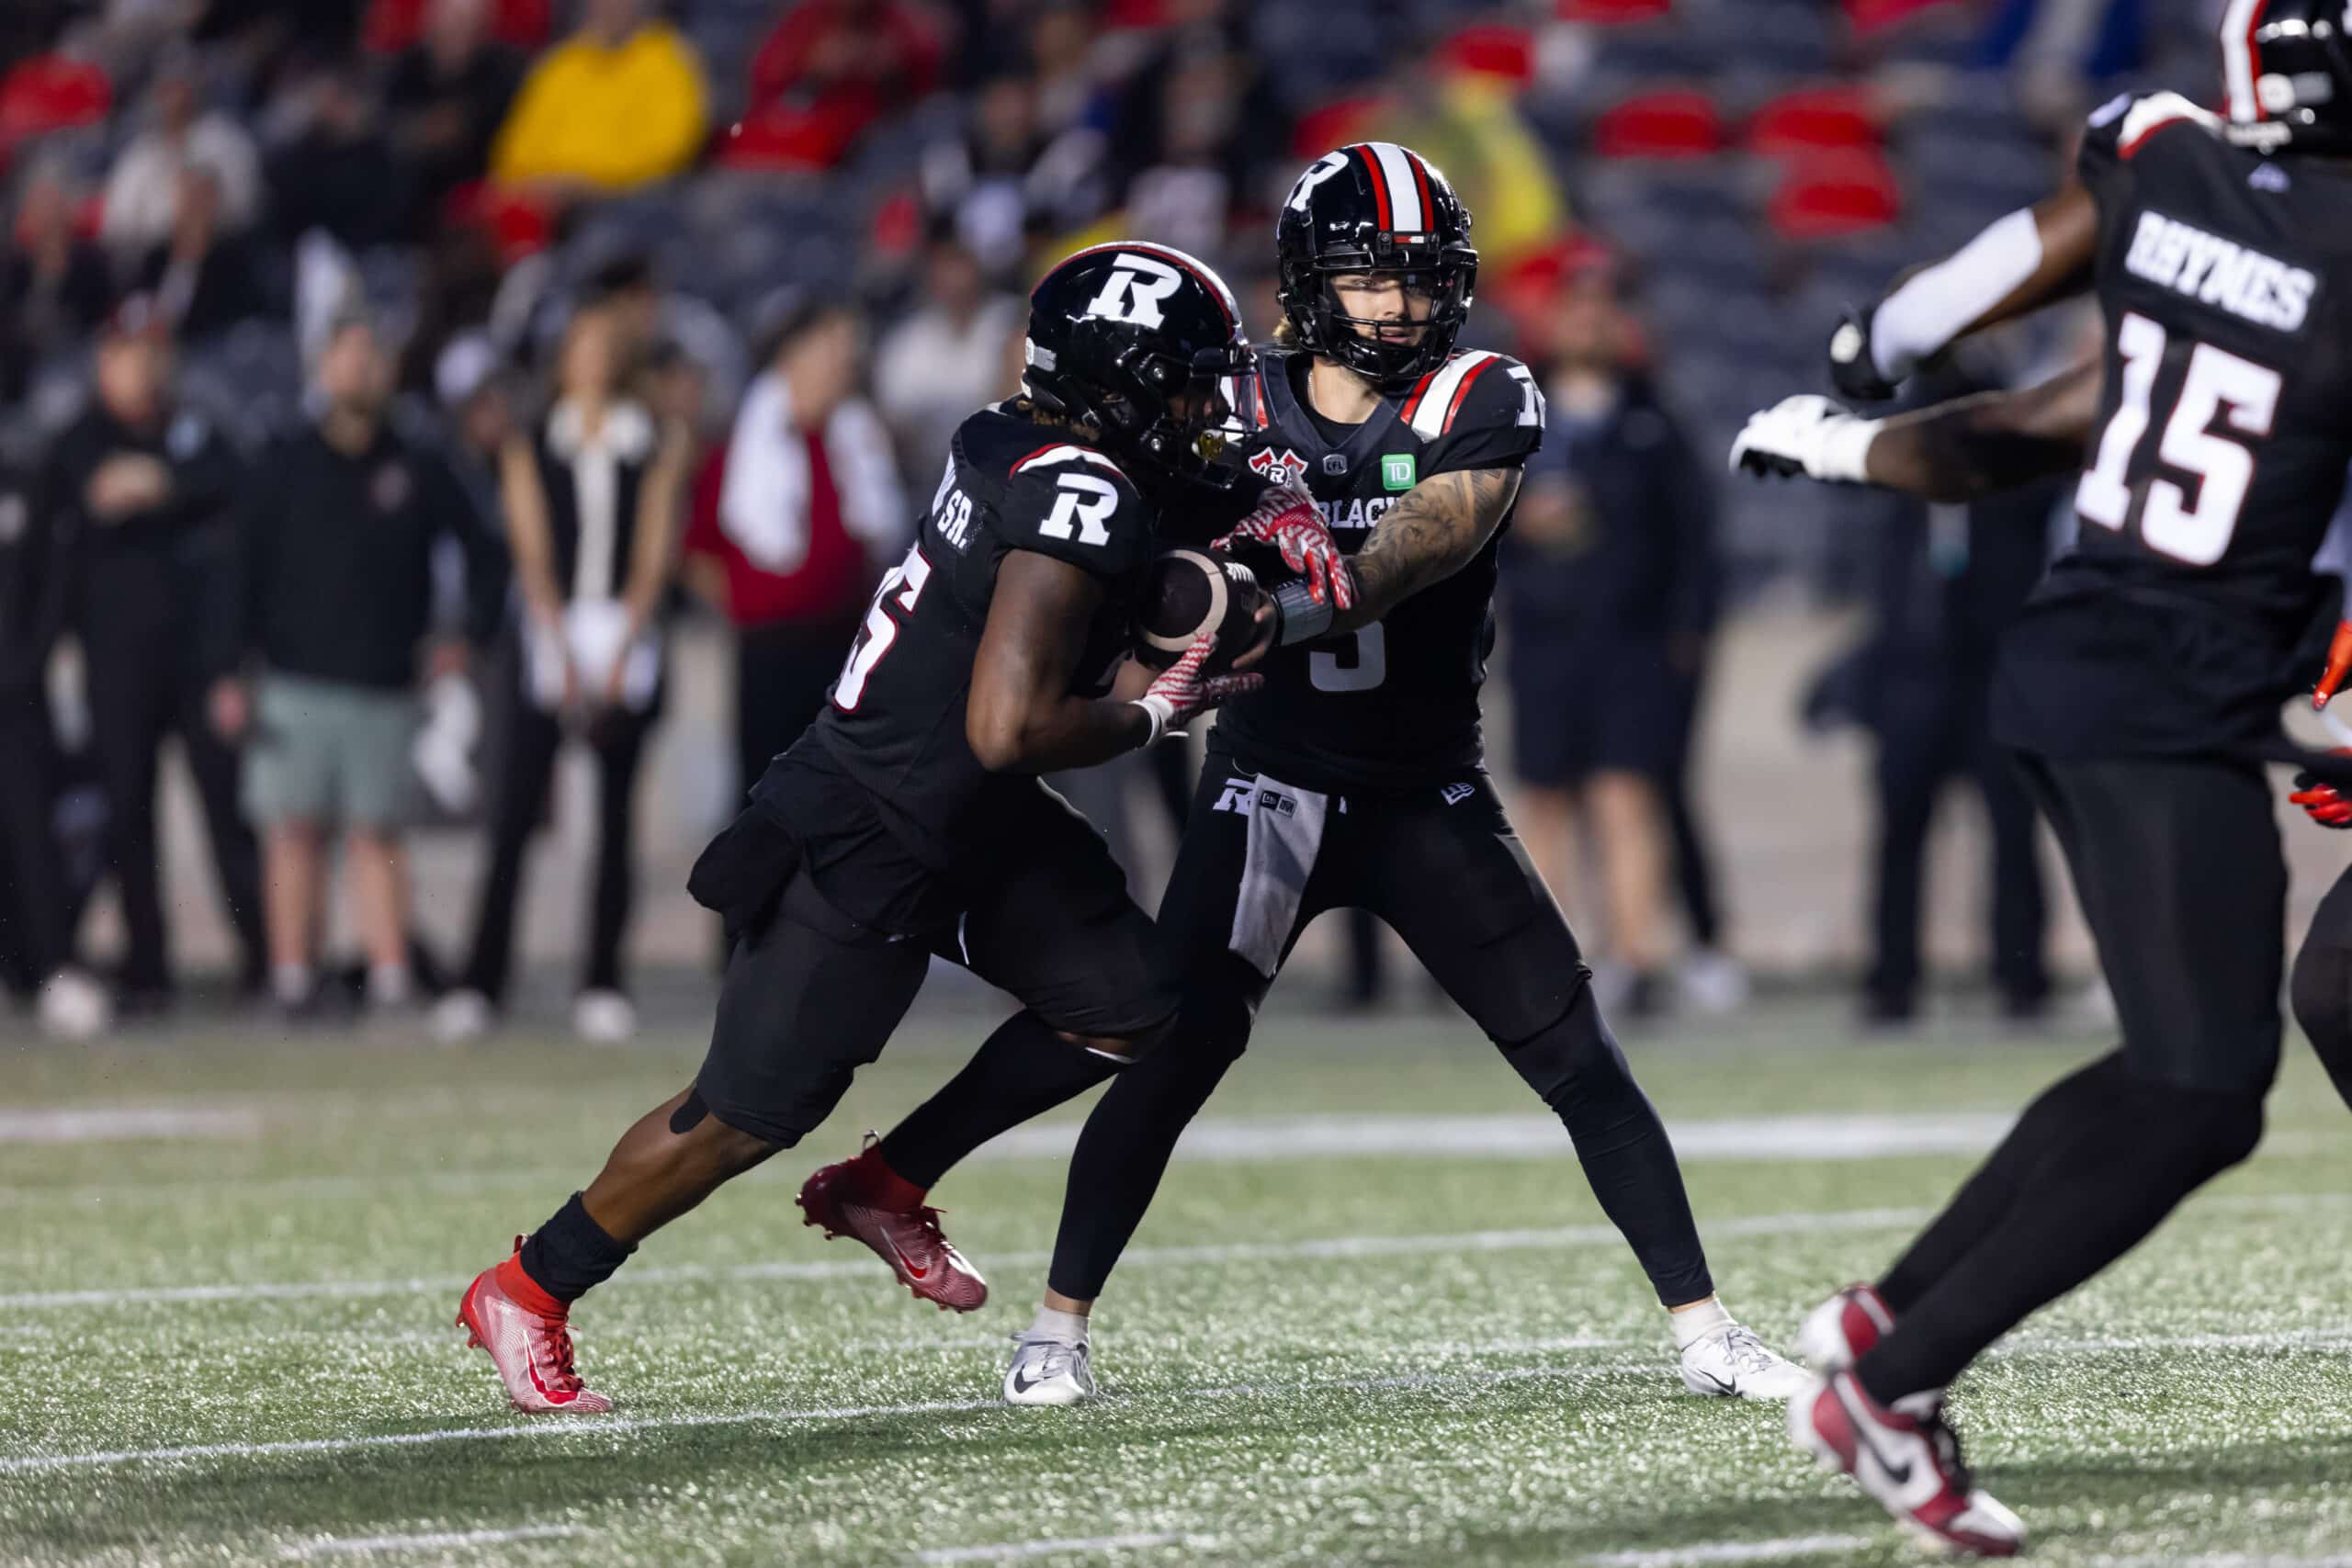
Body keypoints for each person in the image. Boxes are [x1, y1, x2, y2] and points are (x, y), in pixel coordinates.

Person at [841, 144, 1804, 1409]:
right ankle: (1057, 1326)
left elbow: (1429, 533)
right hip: (1269, 787)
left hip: (1425, 792)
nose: (1398, 305)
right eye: (1368, 278)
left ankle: (1706, 1327)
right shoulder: (1224, 396)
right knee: (1171, 1055)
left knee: (1577, 1052)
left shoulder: (1481, 389)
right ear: (1308, 278)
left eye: (1417, 279)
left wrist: (1284, 604)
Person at [1727, 10, 2352, 1549]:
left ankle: (1885, 1321)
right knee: (2201, 1095)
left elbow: (2032, 396)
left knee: (2169, 1066)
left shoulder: (2161, 162)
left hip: (2082, 657)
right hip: (2174, 686)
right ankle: (1892, 1386)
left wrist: (1865, 381)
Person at [453, 243, 1268, 1416]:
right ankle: (529, 1287)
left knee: (1132, 1003)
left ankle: (885, 1183)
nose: (1206, 406)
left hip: (966, 815)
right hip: (876, 823)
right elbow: (1005, 725)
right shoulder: (1075, 491)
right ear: (1118, 387)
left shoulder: (1015, 435)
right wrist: (1152, 715)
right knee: (739, 1118)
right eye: (1185, 382)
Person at [210, 314, 489, 1021]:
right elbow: (238, 570)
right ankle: (293, 977)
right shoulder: (282, 462)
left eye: (375, 355)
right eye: (349, 355)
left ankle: (391, 977)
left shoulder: (418, 462)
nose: (362, 369)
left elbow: (487, 549)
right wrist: (227, 669)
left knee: (378, 834)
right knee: (292, 833)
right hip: (292, 680)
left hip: (386, 682)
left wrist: (465, 634)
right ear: (321, 366)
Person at [435, 308, 688, 1045]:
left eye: (607, 345)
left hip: (624, 631)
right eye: (583, 346)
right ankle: (481, 980)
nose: (594, 360)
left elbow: (653, 549)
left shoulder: (655, 442)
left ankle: (603, 978)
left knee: (613, 820)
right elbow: (533, 553)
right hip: (552, 631)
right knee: (513, 813)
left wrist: (623, 641)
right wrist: (557, 641)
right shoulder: (533, 442)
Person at [1502, 253, 1724, 1020]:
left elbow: (1696, 535)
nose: (1590, 320)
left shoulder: (1653, 418)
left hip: (1632, 643)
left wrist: (1688, 630)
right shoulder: (1512, 418)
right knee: (1547, 800)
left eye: (1606, 307)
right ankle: (1550, 960)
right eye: (1576, 305)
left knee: (1627, 795)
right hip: (1542, 640)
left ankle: (1635, 959)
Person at [44, 298, 266, 1013]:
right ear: (103, 363)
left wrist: (164, 487)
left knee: (226, 815)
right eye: (126, 354)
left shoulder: (197, 436)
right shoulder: (79, 440)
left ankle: (263, 958)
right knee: (128, 818)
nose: (142, 368)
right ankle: (148, 968)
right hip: (115, 661)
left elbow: (238, 489)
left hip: (202, 661)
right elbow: (85, 499)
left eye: (151, 353)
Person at [681, 299, 906, 807]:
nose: (843, 361)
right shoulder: (743, 449)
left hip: (846, 643)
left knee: (841, 793)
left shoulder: (857, 436)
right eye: (830, 348)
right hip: (771, 649)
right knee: (767, 789)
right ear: (793, 358)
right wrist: (747, 605)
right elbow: (696, 552)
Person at [0, 431, 109, 1037]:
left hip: (16, 697)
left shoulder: (26, 476)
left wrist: (25, 665)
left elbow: (51, 586)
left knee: (30, 835)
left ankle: (51, 969)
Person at [488, 0, 707, 202]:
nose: (608, 7)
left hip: (621, 202)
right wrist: (533, 183)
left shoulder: (671, 62)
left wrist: (586, 182)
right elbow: (518, 144)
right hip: (540, 197)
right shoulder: (562, 63)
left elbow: (668, 151)